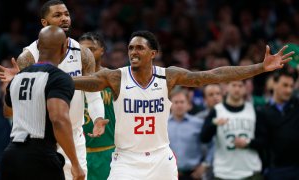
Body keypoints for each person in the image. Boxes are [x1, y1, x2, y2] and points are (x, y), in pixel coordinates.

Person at [72, 30, 293, 180]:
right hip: (126, 160)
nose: (133, 52)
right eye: (130, 48)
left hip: (160, 158)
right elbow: (88, 83)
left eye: (139, 48)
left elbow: (214, 75)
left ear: (153, 53)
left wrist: (260, 68)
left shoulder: (168, 77)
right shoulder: (117, 77)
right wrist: (52, 77)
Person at [0, 1, 106, 179]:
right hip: (40, 139)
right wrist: (15, 82)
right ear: (44, 22)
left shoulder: (83, 53)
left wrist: (98, 116)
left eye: (66, 14)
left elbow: (92, 90)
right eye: (57, 15)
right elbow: (14, 109)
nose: (64, 18)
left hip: (72, 134)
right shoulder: (28, 56)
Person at [0, 25, 84, 180]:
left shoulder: (18, 77)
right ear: (65, 47)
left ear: (38, 46)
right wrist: (75, 163)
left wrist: (15, 85)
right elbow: (58, 119)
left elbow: (8, 111)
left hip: (11, 156)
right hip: (40, 158)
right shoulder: (59, 78)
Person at [200, 80, 262, 180]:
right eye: (234, 85)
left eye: (240, 85)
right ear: (226, 88)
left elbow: (264, 140)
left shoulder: (254, 110)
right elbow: (203, 138)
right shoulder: (217, 110)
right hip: (223, 172)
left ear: (245, 89)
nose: (237, 89)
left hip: (251, 171)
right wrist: (213, 124)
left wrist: (248, 143)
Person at [79, 32, 116, 180]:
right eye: (82, 50)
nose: (86, 54)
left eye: (91, 49)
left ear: (102, 50)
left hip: (108, 150)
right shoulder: (69, 78)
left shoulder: (113, 78)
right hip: (77, 150)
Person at [256, 70, 299, 179]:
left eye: (291, 86)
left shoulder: (296, 105)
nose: (289, 90)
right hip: (275, 170)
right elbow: (261, 141)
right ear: (273, 84)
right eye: (285, 85)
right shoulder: (262, 111)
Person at [168, 87, 213, 180]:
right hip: (169, 174)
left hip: (193, 175)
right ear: (170, 104)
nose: (179, 105)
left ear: (188, 104)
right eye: (176, 102)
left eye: (182, 102)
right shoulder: (163, 125)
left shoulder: (198, 123)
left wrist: (205, 165)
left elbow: (212, 145)